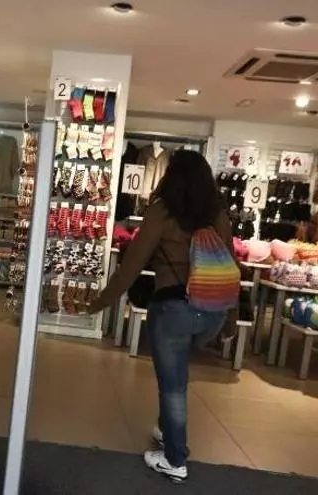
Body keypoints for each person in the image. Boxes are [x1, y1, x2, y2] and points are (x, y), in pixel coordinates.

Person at [88, 150, 237, 484]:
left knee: (173, 385)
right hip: (211, 315)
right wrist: (230, 320)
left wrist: (100, 302)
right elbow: (232, 268)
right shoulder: (217, 215)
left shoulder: (161, 212)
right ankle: (165, 428)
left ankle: (175, 460)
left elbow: (131, 266)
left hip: (174, 311)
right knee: (177, 374)